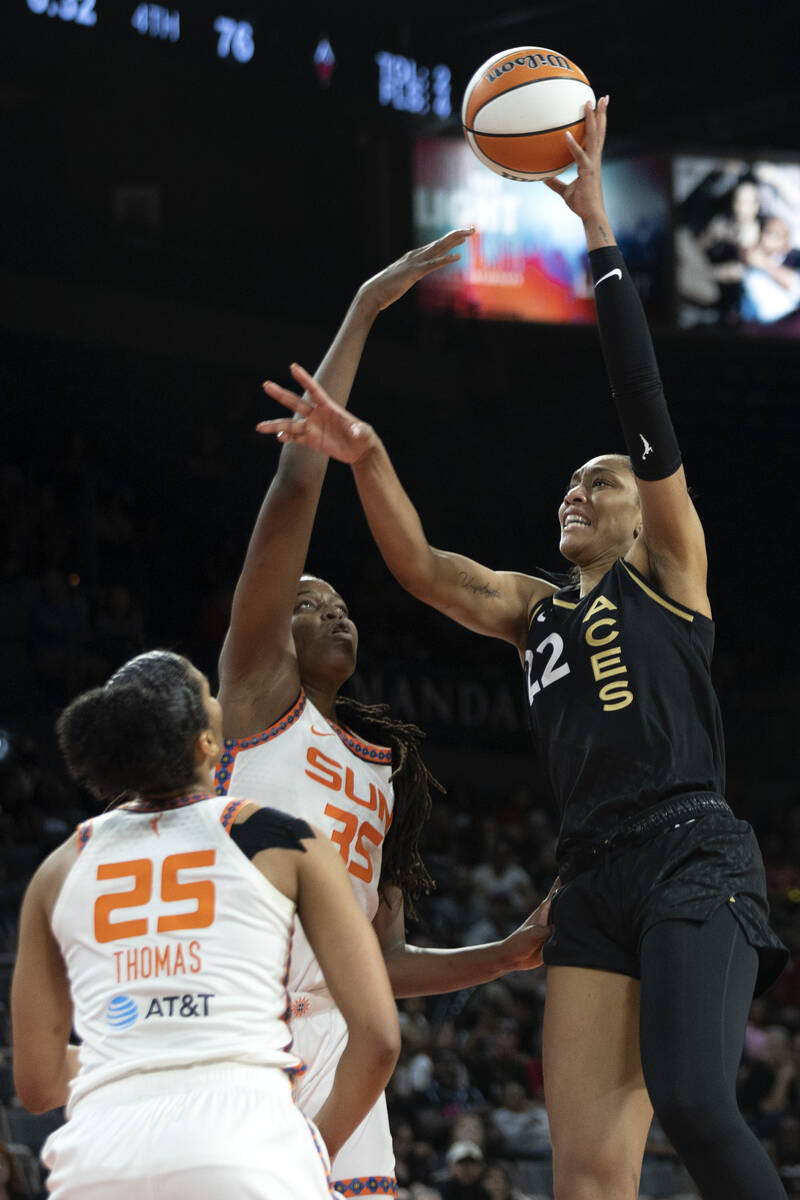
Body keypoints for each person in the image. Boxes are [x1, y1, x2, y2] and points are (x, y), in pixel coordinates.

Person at [256, 97, 789, 1200]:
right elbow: (421, 569)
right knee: (586, 1182)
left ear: (639, 513)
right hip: (588, 874)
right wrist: (364, 454)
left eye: (596, 483)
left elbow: (640, 403)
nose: (575, 492)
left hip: (691, 848)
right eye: (568, 484)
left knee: (691, 1101)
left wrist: (595, 226)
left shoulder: (670, 576)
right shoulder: (528, 607)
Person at [216, 238, 558, 1196]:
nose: (333, 611)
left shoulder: (382, 771)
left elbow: (385, 964)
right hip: (240, 1020)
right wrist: (364, 308)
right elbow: (294, 489)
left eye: (343, 605)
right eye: (309, 601)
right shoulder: (254, 698)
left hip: (338, 1036)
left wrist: (505, 955)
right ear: (270, 631)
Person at [10, 649, 401, 1200]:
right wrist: (315, 1146)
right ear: (207, 744)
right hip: (244, 1141)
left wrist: (145, 1044)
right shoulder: (278, 837)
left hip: (97, 1156)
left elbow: (38, 1082)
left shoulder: (60, 867)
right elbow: (380, 1040)